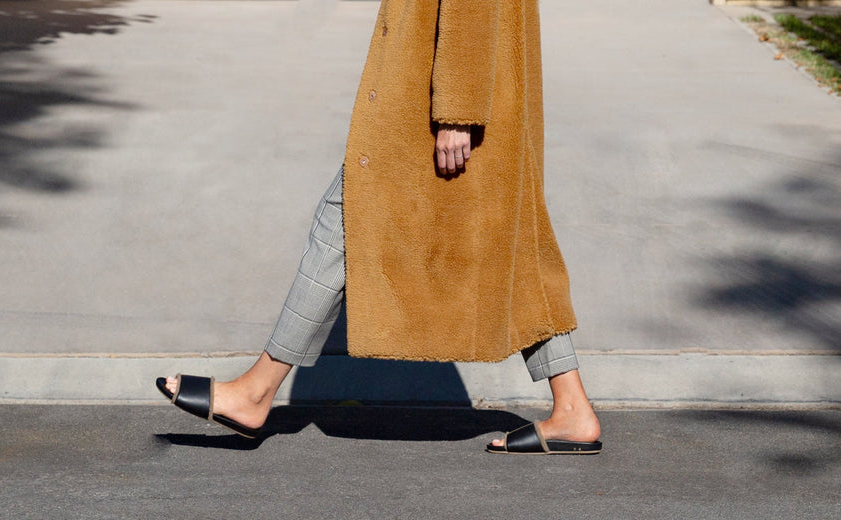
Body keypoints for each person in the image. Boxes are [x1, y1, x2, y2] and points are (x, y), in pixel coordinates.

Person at [156, 0, 601, 455]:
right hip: (474, 76)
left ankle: (255, 392)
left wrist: (458, 111)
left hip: (437, 91)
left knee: (349, 215)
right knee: (516, 237)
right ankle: (572, 407)